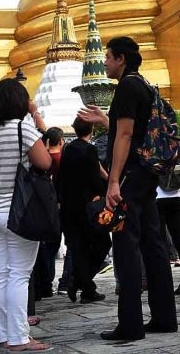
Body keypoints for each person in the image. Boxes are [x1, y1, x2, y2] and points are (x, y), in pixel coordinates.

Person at [77, 36, 177, 341]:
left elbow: (125, 136)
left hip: (130, 176)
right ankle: (164, 317)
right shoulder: (144, 85)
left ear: (120, 59)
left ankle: (130, 324)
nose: (104, 63)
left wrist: (113, 180)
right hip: (146, 174)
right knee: (153, 244)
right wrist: (105, 120)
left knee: (126, 246)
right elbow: (136, 131)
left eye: (108, 57)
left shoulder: (125, 87)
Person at [0, 78, 52, 352]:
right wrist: (35, 114)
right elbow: (45, 161)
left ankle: (6, 334)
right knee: (19, 274)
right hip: (19, 211)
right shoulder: (22, 127)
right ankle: (20, 337)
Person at [56, 117, 109, 303]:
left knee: (79, 248)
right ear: (91, 129)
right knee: (102, 243)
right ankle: (81, 282)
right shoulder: (90, 149)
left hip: (70, 206)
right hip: (87, 206)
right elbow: (94, 177)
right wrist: (102, 193)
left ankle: (85, 285)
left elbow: (61, 176)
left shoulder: (67, 149)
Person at [33, 128, 65, 300]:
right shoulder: (60, 159)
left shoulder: (39, 159)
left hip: (41, 205)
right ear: (61, 141)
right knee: (52, 245)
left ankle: (44, 283)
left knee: (44, 246)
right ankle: (47, 281)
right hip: (55, 204)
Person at [155, 165, 180, 295]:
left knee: (160, 242)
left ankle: (163, 282)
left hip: (157, 197)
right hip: (175, 196)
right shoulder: (177, 152)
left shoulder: (151, 152)